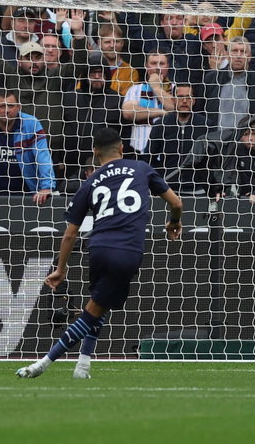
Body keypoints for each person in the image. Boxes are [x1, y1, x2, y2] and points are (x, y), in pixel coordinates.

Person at [16, 128, 182, 379]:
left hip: (98, 248)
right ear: (122, 148)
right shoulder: (141, 168)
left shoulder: (89, 182)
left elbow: (70, 234)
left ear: (95, 152)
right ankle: (44, 363)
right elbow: (177, 202)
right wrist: (173, 222)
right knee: (93, 311)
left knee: (98, 305)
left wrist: (61, 269)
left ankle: (83, 365)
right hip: (128, 249)